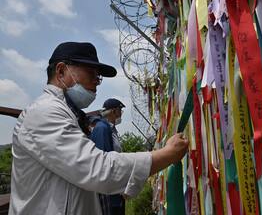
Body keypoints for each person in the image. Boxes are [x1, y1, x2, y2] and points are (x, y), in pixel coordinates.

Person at [9, 42, 189, 215]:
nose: (96, 82)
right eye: (91, 73)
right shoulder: (44, 112)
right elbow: (98, 169)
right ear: (61, 71)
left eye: (98, 77)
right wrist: (166, 155)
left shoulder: (69, 114)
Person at [90, 98, 127, 215]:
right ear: (114, 111)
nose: (121, 113)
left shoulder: (111, 129)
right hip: (109, 192)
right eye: (120, 110)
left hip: (116, 189)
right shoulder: (102, 128)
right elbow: (103, 161)